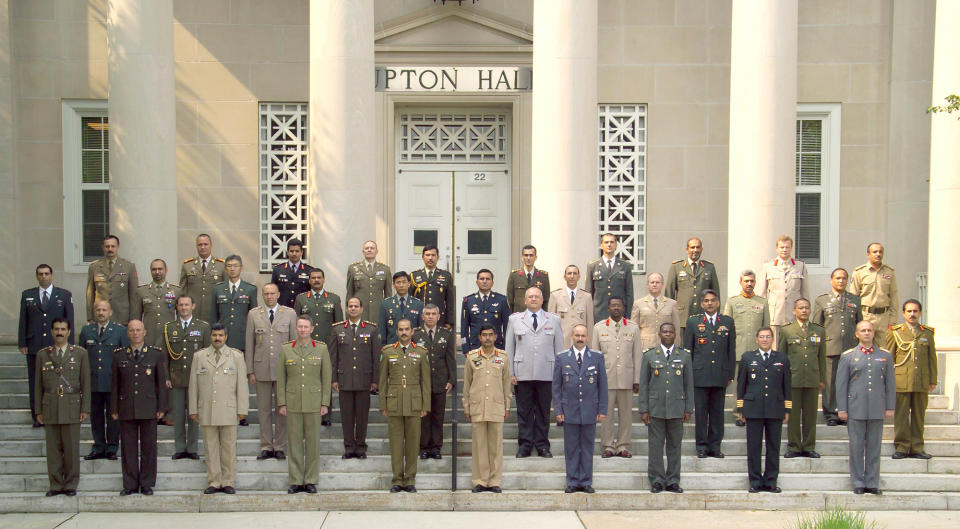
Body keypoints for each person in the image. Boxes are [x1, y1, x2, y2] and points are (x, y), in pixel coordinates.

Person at [189, 323, 248, 495]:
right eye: (215, 335)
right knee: (210, 447)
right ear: (210, 336)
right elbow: (193, 385)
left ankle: (228, 481)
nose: (217, 338)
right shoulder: (200, 356)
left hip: (229, 409)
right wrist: (193, 408)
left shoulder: (236, 356)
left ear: (226, 337)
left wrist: (242, 409)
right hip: (206, 409)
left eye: (220, 335)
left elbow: (242, 386)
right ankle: (214, 481)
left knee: (229, 447)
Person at [837, 321, 896, 495]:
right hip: (856, 407)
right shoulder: (848, 356)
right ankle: (858, 482)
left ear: (874, 333)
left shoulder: (884, 356)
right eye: (863, 330)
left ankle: (872, 482)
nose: (867, 333)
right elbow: (841, 384)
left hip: (877, 407)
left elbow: (890, 384)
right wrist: (842, 408)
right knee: (856, 446)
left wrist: (890, 406)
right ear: (857, 334)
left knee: (874, 447)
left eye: (869, 330)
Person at [110, 319, 168, 496]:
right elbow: (114, 384)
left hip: (149, 407)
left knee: (149, 448)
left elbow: (161, 383)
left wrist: (162, 407)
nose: (135, 333)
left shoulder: (155, 354)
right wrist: (114, 408)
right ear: (127, 333)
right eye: (132, 330)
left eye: (138, 330)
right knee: (128, 448)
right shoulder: (118, 355)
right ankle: (130, 483)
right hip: (126, 407)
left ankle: (147, 483)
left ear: (145, 332)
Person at [506, 287, 563, 458]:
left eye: (536, 296)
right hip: (522, 373)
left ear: (542, 299)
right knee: (524, 411)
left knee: (543, 411)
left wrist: (558, 374)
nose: (533, 299)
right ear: (524, 300)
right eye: (530, 297)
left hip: (547, 372)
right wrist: (511, 372)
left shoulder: (554, 320)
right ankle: (524, 445)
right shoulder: (515, 320)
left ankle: (542, 445)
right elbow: (509, 348)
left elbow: (559, 349)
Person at [277, 316, 332, 494]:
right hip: (292, 402)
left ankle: (310, 479)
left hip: (314, 402)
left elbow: (326, 377)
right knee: (294, 443)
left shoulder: (321, 349)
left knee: (313, 443)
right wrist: (282, 402)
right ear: (296, 329)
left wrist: (325, 402)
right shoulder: (286, 349)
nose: (302, 330)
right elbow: (281, 378)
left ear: (312, 329)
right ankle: (295, 479)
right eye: (299, 327)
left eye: (305, 327)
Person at [35, 317, 89, 497]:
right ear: (51, 332)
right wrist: (38, 410)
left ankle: (71, 484)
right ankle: (56, 484)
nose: (59, 332)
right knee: (53, 449)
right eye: (56, 329)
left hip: (72, 406)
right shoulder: (43, 354)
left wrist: (85, 408)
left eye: (63, 329)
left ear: (69, 332)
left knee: (72, 449)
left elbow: (85, 383)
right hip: (50, 406)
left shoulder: (80, 354)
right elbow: (37, 386)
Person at [245, 283, 298, 460]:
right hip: (261, 368)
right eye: (266, 293)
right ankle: (266, 445)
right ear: (262, 295)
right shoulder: (254, 314)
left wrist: (293, 369)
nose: (269, 297)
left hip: (283, 369)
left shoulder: (289, 313)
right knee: (264, 409)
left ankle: (280, 445)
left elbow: (294, 344)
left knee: (282, 409)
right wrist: (250, 370)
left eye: (272, 293)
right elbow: (249, 343)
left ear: (278, 294)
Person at [638, 322, 693, 493]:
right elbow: (644, 385)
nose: (668, 334)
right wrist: (644, 409)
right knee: (655, 446)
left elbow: (688, 384)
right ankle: (656, 480)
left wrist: (688, 408)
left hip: (676, 408)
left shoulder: (684, 356)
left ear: (675, 334)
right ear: (659, 334)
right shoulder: (649, 356)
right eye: (664, 332)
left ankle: (673, 480)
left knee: (675, 446)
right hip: (656, 408)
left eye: (671, 332)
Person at [553, 324, 608, 493]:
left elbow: (602, 385)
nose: (580, 338)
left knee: (587, 447)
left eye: (583, 335)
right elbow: (556, 387)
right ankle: (572, 481)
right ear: (571, 336)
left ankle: (585, 481)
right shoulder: (562, 358)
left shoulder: (597, 357)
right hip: (569, 410)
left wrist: (602, 409)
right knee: (570, 448)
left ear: (588, 337)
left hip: (590, 410)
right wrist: (558, 410)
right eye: (577, 335)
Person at [19, 264, 74, 427]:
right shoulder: (27, 295)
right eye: (40, 274)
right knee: (35, 382)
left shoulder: (63, 295)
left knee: (56, 381)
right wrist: (22, 342)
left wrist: (69, 344)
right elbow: (23, 321)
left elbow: (69, 321)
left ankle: (55, 415)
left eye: (46, 274)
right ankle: (37, 416)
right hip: (34, 345)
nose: (43, 276)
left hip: (56, 345)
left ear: (52, 275)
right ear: (37, 276)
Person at [737, 327, 791, 493]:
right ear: (756, 339)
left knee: (773, 447)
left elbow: (786, 385)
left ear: (772, 339)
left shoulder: (782, 358)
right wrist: (741, 408)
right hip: (753, 408)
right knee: (753, 447)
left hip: (775, 408)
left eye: (768, 337)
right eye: (762, 337)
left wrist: (787, 408)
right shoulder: (747, 357)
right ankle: (755, 481)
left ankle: (770, 481)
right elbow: (741, 384)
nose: (765, 339)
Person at [380, 319, 431, 493]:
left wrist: (425, 405)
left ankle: (410, 479)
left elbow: (426, 381)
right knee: (395, 444)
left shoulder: (421, 352)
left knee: (412, 443)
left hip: (414, 402)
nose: (403, 332)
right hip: (394, 402)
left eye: (406, 329)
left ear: (411, 332)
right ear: (396, 331)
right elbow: (381, 382)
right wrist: (382, 404)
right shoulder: (387, 352)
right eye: (400, 329)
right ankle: (396, 479)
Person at [684, 289, 736, 458]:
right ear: (701, 304)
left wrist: (730, 374)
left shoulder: (727, 322)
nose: (709, 303)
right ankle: (701, 446)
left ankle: (715, 446)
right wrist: (688, 374)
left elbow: (731, 350)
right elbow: (688, 351)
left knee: (717, 413)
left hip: (720, 375)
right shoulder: (693, 322)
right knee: (701, 413)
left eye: (713, 300)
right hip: (699, 375)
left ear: (718, 303)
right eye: (706, 301)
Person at [590, 297, 642, 458]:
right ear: (608, 308)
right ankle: (608, 445)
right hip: (606, 379)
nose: (616, 308)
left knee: (626, 414)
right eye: (613, 305)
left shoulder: (633, 328)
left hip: (626, 378)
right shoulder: (599, 328)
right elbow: (594, 356)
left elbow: (637, 355)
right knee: (606, 415)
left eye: (619, 305)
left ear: (623, 307)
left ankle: (623, 445)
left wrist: (636, 379)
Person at [329, 297, 381, 459]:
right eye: (350, 306)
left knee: (362, 415)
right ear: (346, 309)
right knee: (347, 416)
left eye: (356, 306)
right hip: (344, 379)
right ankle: (349, 446)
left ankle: (360, 446)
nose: (353, 308)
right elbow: (333, 356)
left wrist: (375, 380)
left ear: (361, 309)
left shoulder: (371, 329)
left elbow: (376, 357)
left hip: (364, 380)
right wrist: (334, 379)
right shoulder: (337, 330)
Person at [885, 299, 937, 460]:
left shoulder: (927, 333)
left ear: (920, 313)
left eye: (915, 311)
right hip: (901, 381)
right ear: (903, 313)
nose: (912, 314)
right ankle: (902, 447)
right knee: (901, 416)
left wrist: (932, 380)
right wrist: (888, 381)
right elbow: (889, 358)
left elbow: (931, 359)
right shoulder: (896, 332)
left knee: (918, 416)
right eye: (909, 311)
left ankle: (917, 447)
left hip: (921, 381)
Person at [463, 325, 511, 493]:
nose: (488, 338)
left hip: (496, 407)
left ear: (496, 336)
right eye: (485, 335)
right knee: (479, 446)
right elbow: (467, 384)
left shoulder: (503, 357)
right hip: (478, 407)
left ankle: (495, 481)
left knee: (495, 446)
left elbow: (506, 384)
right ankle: (480, 481)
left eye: (491, 334)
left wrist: (507, 405)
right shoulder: (471, 357)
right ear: (480, 337)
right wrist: (466, 406)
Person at [78, 300, 129, 461]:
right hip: (93, 383)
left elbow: (125, 358)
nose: (101, 313)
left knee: (113, 417)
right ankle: (99, 446)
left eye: (104, 310)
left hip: (112, 382)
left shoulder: (120, 331)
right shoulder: (86, 331)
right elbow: (81, 357)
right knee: (96, 417)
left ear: (110, 312)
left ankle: (112, 447)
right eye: (98, 310)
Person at [211, 255, 258, 427]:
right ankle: (224, 412)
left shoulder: (250, 289)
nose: (232, 269)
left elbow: (253, 318)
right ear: (225, 269)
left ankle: (241, 414)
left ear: (241, 268)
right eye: (229, 266)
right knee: (222, 379)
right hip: (222, 342)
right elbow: (213, 316)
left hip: (241, 340)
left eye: (235, 266)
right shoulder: (217, 289)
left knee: (240, 380)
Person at [812, 267, 862, 426]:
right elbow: (817, 326)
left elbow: (859, 324)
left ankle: (845, 412)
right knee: (831, 382)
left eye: (844, 278)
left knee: (849, 381)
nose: (841, 281)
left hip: (850, 348)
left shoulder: (855, 300)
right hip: (830, 347)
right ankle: (831, 413)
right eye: (838, 278)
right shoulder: (822, 300)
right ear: (831, 280)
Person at [163, 294, 210, 460]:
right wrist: (167, 376)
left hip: (195, 378)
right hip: (176, 378)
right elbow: (165, 356)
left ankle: (192, 448)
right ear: (176, 307)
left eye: (186, 304)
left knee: (194, 414)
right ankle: (180, 448)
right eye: (181, 305)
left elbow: (207, 355)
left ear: (193, 306)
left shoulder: (203, 327)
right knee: (178, 414)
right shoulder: (169, 327)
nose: (183, 308)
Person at [778, 298, 826, 458]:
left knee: (810, 415)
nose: (804, 310)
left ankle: (809, 446)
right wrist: (781, 380)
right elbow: (782, 357)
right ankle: (793, 446)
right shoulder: (787, 330)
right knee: (792, 416)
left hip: (812, 379)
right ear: (794, 311)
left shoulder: (819, 331)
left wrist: (822, 378)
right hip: (793, 380)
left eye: (807, 307)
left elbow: (821, 357)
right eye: (801, 308)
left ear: (810, 310)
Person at [722, 270, 770, 426]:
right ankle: (739, 413)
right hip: (739, 350)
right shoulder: (733, 302)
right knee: (740, 384)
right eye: (746, 281)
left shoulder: (762, 302)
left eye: (752, 281)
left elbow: (766, 328)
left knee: (757, 384)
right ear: (741, 282)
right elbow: (726, 328)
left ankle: (755, 411)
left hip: (757, 351)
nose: (749, 284)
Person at [412, 305, 456, 460]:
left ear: (438, 316)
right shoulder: (415, 335)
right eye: (427, 314)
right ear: (422, 317)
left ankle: (436, 447)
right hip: (420, 383)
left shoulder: (446, 334)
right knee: (423, 417)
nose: (430, 317)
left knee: (438, 416)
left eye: (433, 314)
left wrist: (451, 379)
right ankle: (423, 447)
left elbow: (450, 358)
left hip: (440, 382)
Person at [757, 235, 809, 343]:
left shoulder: (800, 266)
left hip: (794, 315)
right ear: (777, 248)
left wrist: (805, 313)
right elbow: (762, 294)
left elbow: (805, 293)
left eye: (787, 247)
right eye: (782, 247)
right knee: (775, 346)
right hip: (775, 315)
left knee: (795, 346)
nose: (784, 250)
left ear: (791, 248)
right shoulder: (768, 266)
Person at [666, 237, 720, 335]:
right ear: (687, 249)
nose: (695, 250)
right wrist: (669, 317)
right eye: (692, 247)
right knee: (683, 348)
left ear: (702, 249)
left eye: (698, 247)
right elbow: (669, 294)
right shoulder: (676, 267)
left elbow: (716, 294)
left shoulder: (709, 267)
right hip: (682, 318)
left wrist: (715, 317)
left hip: (704, 316)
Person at [848, 243, 898, 344]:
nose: (878, 254)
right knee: (865, 348)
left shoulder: (889, 272)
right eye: (875, 252)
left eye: (880, 252)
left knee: (883, 350)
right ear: (868, 254)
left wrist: (893, 319)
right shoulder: (859, 272)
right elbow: (853, 298)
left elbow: (894, 296)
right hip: (865, 315)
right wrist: (854, 319)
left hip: (884, 317)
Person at [86, 234, 138, 325]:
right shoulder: (94, 267)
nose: (110, 249)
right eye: (107, 246)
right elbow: (90, 294)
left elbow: (134, 295)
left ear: (118, 247)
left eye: (113, 246)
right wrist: (90, 317)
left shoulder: (129, 266)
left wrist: (133, 318)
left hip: (122, 317)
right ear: (103, 247)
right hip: (100, 316)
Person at [585, 233, 634, 322]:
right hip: (598, 314)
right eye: (606, 242)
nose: (609, 245)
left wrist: (628, 315)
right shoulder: (593, 265)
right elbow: (588, 293)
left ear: (616, 245)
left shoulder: (625, 266)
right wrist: (589, 315)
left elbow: (629, 294)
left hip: (619, 314)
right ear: (601, 245)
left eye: (612, 242)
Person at [132, 259, 180, 347]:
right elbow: (136, 318)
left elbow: (180, 318)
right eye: (154, 269)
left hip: (169, 337)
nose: (157, 272)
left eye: (160, 269)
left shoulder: (176, 291)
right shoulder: (141, 291)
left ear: (166, 270)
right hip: (149, 337)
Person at [179, 234, 225, 324]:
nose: (203, 247)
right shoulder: (187, 265)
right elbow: (182, 291)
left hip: (214, 314)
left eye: (205, 244)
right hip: (192, 315)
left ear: (211, 245)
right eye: (200, 245)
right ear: (196, 246)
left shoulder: (221, 265)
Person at [460, 269, 510, 351]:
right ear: (477, 282)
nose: (484, 281)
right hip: (475, 347)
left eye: (488, 279)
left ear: (492, 282)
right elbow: (464, 328)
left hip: (497, 347)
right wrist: (465, 348)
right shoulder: (468, 301)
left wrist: (506, 347)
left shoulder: (502, 300)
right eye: (482, 279)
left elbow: (507, 327)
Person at [345, 240, 392, 323]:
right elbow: (349, 293)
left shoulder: (385, 269)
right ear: (363, 251)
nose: (369, 250)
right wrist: (348, 315)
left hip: (378, 312)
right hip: (359, 313)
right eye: (367, 248)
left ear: (377, 251)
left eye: (372, 248)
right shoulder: (353, 269)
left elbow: (388, 295)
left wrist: (389, 314)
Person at [547, 264, 594, 348]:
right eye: (569, 273)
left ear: (579, 277)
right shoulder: (555, 296)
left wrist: (589, 346)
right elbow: (550, 323)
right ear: (564, 277)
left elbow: (590, 324)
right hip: (561, 343)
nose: (572, 276)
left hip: (581, 344)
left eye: (575, 273)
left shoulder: (587, 297)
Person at [631, 272, 680, 350]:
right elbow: (634, 329)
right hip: (644, 346)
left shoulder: (672, 304)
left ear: (662, 285)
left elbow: (676, 328)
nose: (654, 284)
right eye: (652, 282)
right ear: (647, 285)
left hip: (665, 345)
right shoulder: (638, 304)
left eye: (657, 282)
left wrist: (676, 348)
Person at [410, 245, 456, 328]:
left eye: (433, 255)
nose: (430, 258)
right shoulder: (414, 276)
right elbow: (410, 300)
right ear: (423, 257)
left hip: (439, 320)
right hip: (419, 319)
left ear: (438, 257)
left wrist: (449, 322)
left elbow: (450, 301)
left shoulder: (446, 276)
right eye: (427, 255)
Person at [294, 268, 343, 343]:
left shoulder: (334, 298)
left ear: (324, 280)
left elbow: (339, 324)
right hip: (307, 341)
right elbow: (296, 322)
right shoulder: (301, 299)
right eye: (313, 278)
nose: (316, 280)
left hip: (328, 342)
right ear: (309, 281)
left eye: (319, 277)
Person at [380, 271, 423, 344]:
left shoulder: (418, 304)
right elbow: (382, 330)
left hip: (413, 347)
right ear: (393, 285)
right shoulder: (386, 304)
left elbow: (421, 330)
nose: (401, 285)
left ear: (409, 284)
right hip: (392, 347)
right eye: (398, 282)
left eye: (404, 282)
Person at [506, 244, 551, 312]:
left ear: (535, 257)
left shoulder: (543, 276)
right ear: (522, 257)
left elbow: (546, 300)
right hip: (519, 316)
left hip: (538, 316)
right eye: (526, 255)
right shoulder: (514, 276)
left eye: (531, 255)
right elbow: (510, 300)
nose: (528, 258)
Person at [271, 238, 314, 309]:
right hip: (283, 309)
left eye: (297, 251)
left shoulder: (309, 270)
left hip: (302, 309)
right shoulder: (278, 270)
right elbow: (273, 290)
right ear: (287, 252)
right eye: (291, 251)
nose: (294, 254)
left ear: (301, 252)